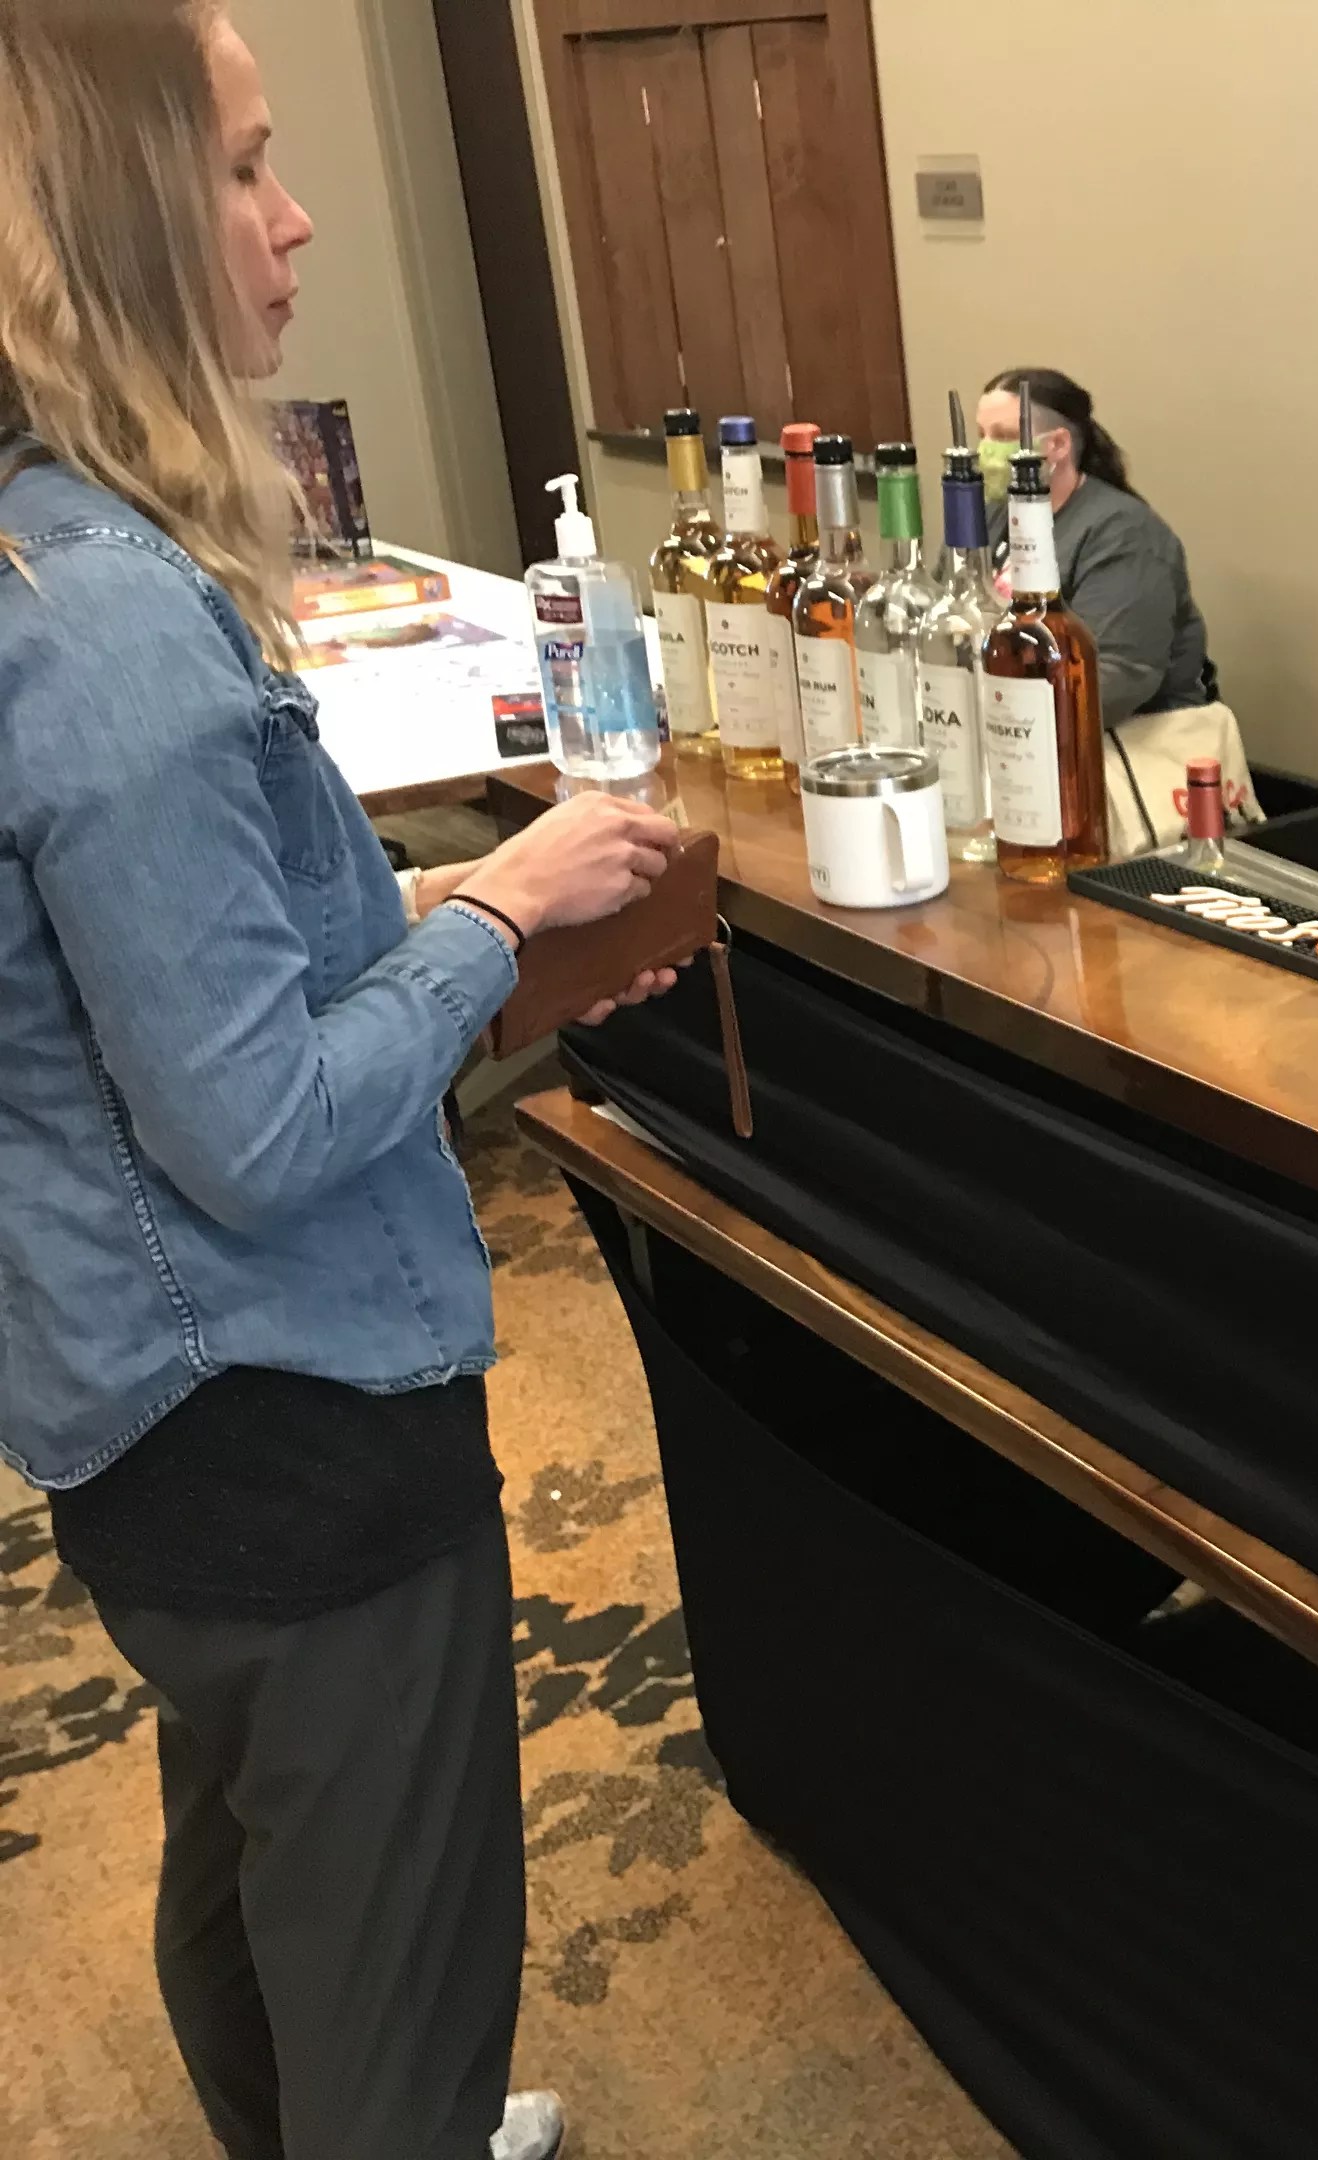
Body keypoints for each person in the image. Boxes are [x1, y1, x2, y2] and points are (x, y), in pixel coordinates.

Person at [0, 4, 686, 2153]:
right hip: (288, 1416)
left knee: (251, 1858)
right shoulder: (109, 622)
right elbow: (257, 1127)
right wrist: (503, 922)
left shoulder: (39, 554)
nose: (294, 220)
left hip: (142, 1415)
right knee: (399, 1960)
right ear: (115, 220)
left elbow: (160, 984)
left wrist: (426, 910)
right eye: (241, 166)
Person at [974, 366, 1215, 724]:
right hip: (1008, 718)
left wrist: (1001, 717)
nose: (985, 451)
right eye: (981, 435)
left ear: (1058, 444)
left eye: (1004, 436)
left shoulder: (1125, 533)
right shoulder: (991, 515)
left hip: (1120, 731)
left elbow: (1117, 677)